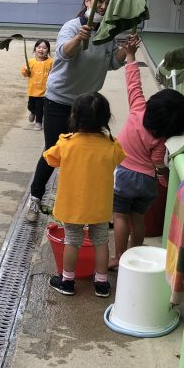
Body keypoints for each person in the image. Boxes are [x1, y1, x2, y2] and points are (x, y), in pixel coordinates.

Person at [25, 0, 138, 222]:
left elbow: (112, 63)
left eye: (108, 3)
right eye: (99, 0)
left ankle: (73, 202)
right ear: (87, 1)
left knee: (82, 154)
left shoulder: (107, 33)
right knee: (52, 152)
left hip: (87, 104)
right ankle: (35, 198)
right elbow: (65, 53)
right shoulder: (72, 27)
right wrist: (79, 37)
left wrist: (125, 50)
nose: (103, 6)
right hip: (59, 100)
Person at [110, 46, 184, 269]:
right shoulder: (162, 137)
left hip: (123, 175)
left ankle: (118, 257)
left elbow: (133, 82)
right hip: (146, 182)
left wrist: (130, 56)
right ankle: (135, 255)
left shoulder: (138, 109)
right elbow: (157, 163)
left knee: (120, 217)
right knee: (137, 220)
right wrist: (164, 179)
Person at [42, 93, 125, 298]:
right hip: (100, 204)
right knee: (101, 240)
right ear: (105, 119)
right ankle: (102, 283)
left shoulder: (67, 144)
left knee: (72, 240)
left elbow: (50, 158)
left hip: (73, 204)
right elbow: (119, 158)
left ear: (74, 117)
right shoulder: (111, 145)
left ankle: (67, 281)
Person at [21, 39, 53, 131]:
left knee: (40, 107)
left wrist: (51, 73)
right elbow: (25, 74)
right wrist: (26, 71)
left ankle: (38, 122)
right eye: (39, 47)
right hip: (32, 89)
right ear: (35, 49)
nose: (41, 49)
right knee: (30, 105)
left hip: (44, 90)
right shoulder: (31, 62)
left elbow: (54, 72)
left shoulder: (50, 62)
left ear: (48, 50)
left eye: (44, 48)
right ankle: (32, 112)